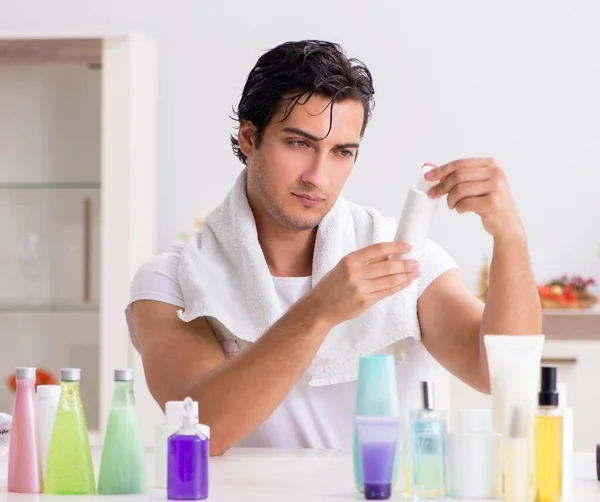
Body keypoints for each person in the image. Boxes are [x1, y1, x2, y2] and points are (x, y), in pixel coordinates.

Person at [126, 40, 542, 456]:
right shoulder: (172, 281)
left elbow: (504, 375)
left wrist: (510, 238)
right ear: (250, 138)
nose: (318, 177)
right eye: (299, 144)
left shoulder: (403, 260)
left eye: (342, 152)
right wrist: (318, 311)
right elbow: (205, 430)